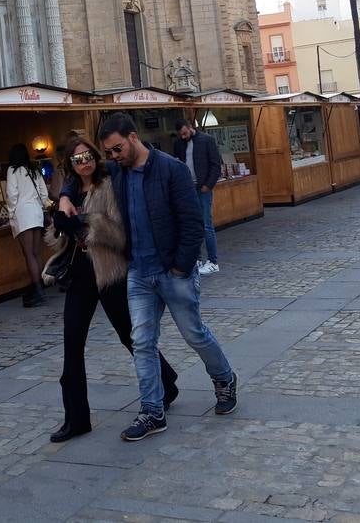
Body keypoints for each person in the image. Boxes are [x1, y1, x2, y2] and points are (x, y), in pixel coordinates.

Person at [61, 112, 237, 442]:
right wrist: (65, 196)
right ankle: (152, 411)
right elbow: (81, 171)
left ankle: (225, 378)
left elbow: (192, 223)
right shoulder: (117, 170)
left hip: (173, 271)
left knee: (194, 334)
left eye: (116, 149)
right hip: (139, 274)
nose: (113, 156)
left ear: (132, 138)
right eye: (109, 152)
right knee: (141, 342)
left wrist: (181, 266)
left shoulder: (171, 169)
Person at [48, 134, 180, 443]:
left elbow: (120, 233)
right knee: (72, 342)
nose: (85, 163)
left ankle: (167, 382)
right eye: (78, 159)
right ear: (70, 164)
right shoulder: (68, 190)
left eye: (89, 156)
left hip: (109, 272)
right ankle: (77, 418)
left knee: (129, 336)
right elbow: (56, 235)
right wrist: (61, 217)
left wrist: (86, 223)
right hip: (80, 275)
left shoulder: (110, 181)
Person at [172, 119, 221, 275]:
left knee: (206, 224)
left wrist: (209, 184)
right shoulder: (179, 143)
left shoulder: (207, 140)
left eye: (185, 133)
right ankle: (197, 259)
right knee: (193, 224)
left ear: (190, 127)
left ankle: (213, 261)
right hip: (188, 188)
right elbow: (178, 163)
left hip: (203, 188)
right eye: (181, 135)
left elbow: (215, 164)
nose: (183, 137)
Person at [6, 143, 49, 307]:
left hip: (23, 214)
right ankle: (41, 287)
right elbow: (44, 193)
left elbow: (12, 195)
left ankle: (37, 289)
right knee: (36, 253)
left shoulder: (13, 171)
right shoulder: (34, 169)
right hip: (37, 211)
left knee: (28, 253)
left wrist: (11, 214)